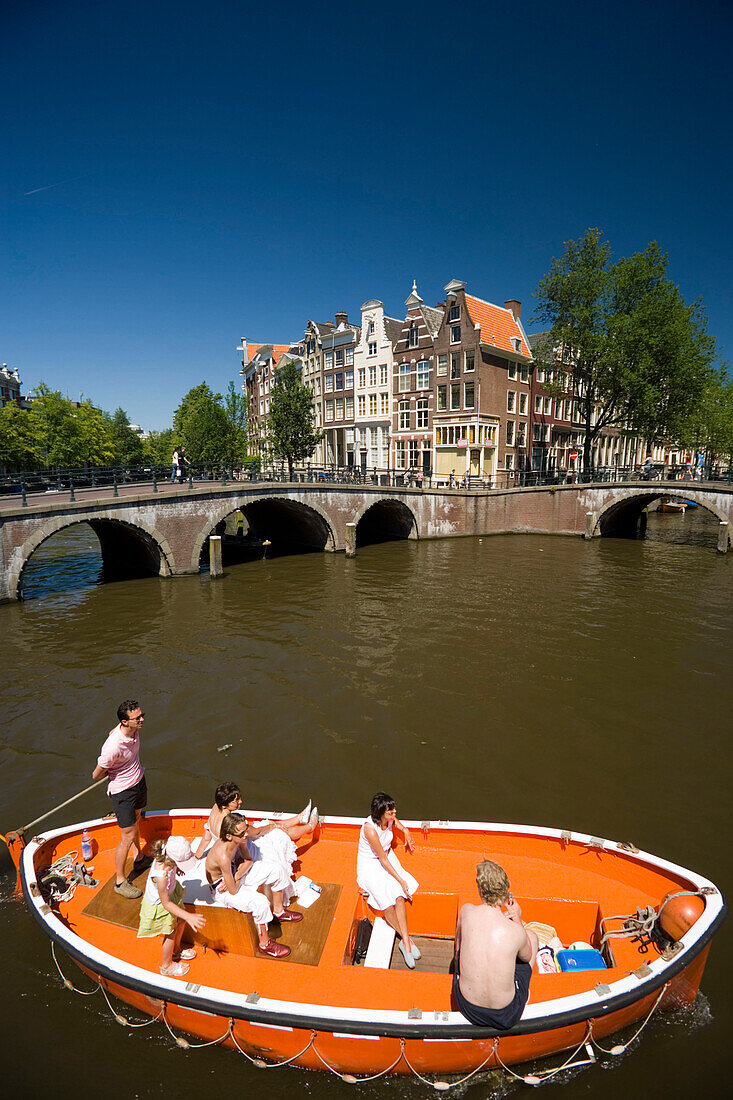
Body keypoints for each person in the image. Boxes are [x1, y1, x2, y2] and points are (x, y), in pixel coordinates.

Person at [453, 859, 538, 1029]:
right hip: (505, 1013)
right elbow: (526, 956)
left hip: (467, 1005)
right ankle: (522, 991)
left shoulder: (467, 911)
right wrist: (518, 920)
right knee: (532, 937)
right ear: (505, 891)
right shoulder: (515, 931)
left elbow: (457, 948)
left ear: (480, 889)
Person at [205, 812, 301, 959]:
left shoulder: (239, 839)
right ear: (229, 836)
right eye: (242, 833)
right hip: (222, 888)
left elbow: (248, 860)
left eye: (246, 829)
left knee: (277, 870)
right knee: (260, 902)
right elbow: (232, 890)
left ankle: (279, 911)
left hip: (234, 875)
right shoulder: (223, 856)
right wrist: (234, 878)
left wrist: (236, 875)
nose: (246, 835)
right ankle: (264, 944)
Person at [92, 700, 150, 900]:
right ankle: (120, 881)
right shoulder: (112, 747)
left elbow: (112, 731)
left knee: (136, 821)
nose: (142, 720)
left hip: (138, 782)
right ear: (125, 722)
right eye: (138, 718)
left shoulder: (130, 729)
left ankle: (139, 858)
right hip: (122, 792)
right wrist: (114, 770)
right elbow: (96, 775)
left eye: (142, 715)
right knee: (127, 836)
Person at [356, 792, 419, 969]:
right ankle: (407, 941)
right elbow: (382, 859)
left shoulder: (390, 818)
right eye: (390, 811)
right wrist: (401, 880)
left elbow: (396, 821)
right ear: (381, 814)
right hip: (372, 863)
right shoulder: (370, 829)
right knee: (387, 902)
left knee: (399, 896)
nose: (394, 812)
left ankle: (405, 942)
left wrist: (405, 830)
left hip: (387, 858)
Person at [194, 782, 318, 860]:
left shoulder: (216, 808)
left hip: (235, 840)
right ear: (225, 804)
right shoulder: (230, 823)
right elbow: (257, 833)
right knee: (280, 833)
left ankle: (300, 818)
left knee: (270, 825)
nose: (240, 802)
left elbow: (207, 836)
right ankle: (310, 827)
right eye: (236, 801)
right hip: (239, 852)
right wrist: (274, 826)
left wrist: (197, 855)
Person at [137, 837, 206, 977]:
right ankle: (167, 965)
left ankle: (176, 950)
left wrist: (177, 870)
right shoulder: (161, 877)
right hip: (161, 904)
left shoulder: (167, 857)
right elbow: (166, 904)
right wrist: (189, 915)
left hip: (171, 895)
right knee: (171, 932)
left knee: (180, 921)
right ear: (172, 860)